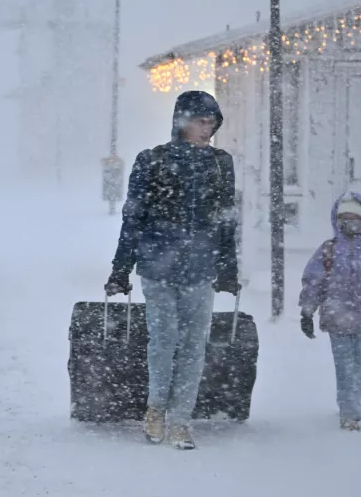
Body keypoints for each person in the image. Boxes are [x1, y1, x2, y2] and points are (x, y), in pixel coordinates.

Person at [105, 90, 240, 450]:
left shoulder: (219, 163)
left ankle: (181, 419)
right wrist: (121, 268)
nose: (206, 130)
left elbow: (227, 219)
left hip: (200, 268)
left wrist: (228, 267)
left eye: (211, 123)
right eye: (200, 121)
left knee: (194, 345)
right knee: (163, 342)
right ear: (182, 122)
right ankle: (156, 409)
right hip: (157, 267)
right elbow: (132, 218)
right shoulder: (152, 161)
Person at [298, 192, 361, 431]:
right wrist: (307, 312)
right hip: (337, 319)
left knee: (359, 365)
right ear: (337, 220)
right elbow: (313, 282)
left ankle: (351, 405)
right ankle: (349, 413)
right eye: (345, 217)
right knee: (344, 366)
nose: (350, 221)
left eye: (356, 217)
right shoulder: (328, 250)